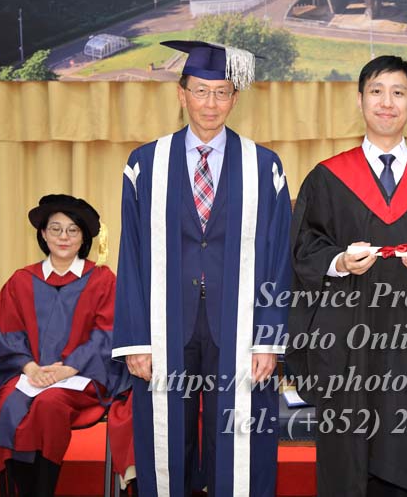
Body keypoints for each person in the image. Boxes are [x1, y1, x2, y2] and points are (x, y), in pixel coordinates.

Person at [287, 55, 407, 497]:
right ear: (359, 100)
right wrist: (339, 262)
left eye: (398, 93)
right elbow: (303, 251)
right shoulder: (328, 178)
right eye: (376, 91)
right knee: (346, 461)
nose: (387, 102)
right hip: (346, 344)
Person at [112, 41, 292, 496]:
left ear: (234, 98)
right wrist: (136, 340)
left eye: (221, 92)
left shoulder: (264, 166)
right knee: (166, 438)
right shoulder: (145, 163)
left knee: (237, 438)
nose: (211, 103)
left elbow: (278, 258)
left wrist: (268, 339)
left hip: (240, 323)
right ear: (181, 94)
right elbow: (131, 254)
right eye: (200, 91)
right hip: (165, 322)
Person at [0, 194, 133, 496]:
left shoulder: (102, 280)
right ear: (43, 233)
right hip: (28, 375)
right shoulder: (21, 281)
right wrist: (30, 368)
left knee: (49, 404)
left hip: (81, 377)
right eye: (55, 229)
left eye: (72, 230)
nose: (63, 237)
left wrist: (67, 369)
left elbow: (106, 335)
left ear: (84, 237)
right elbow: (9, 333)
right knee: (8, 406)